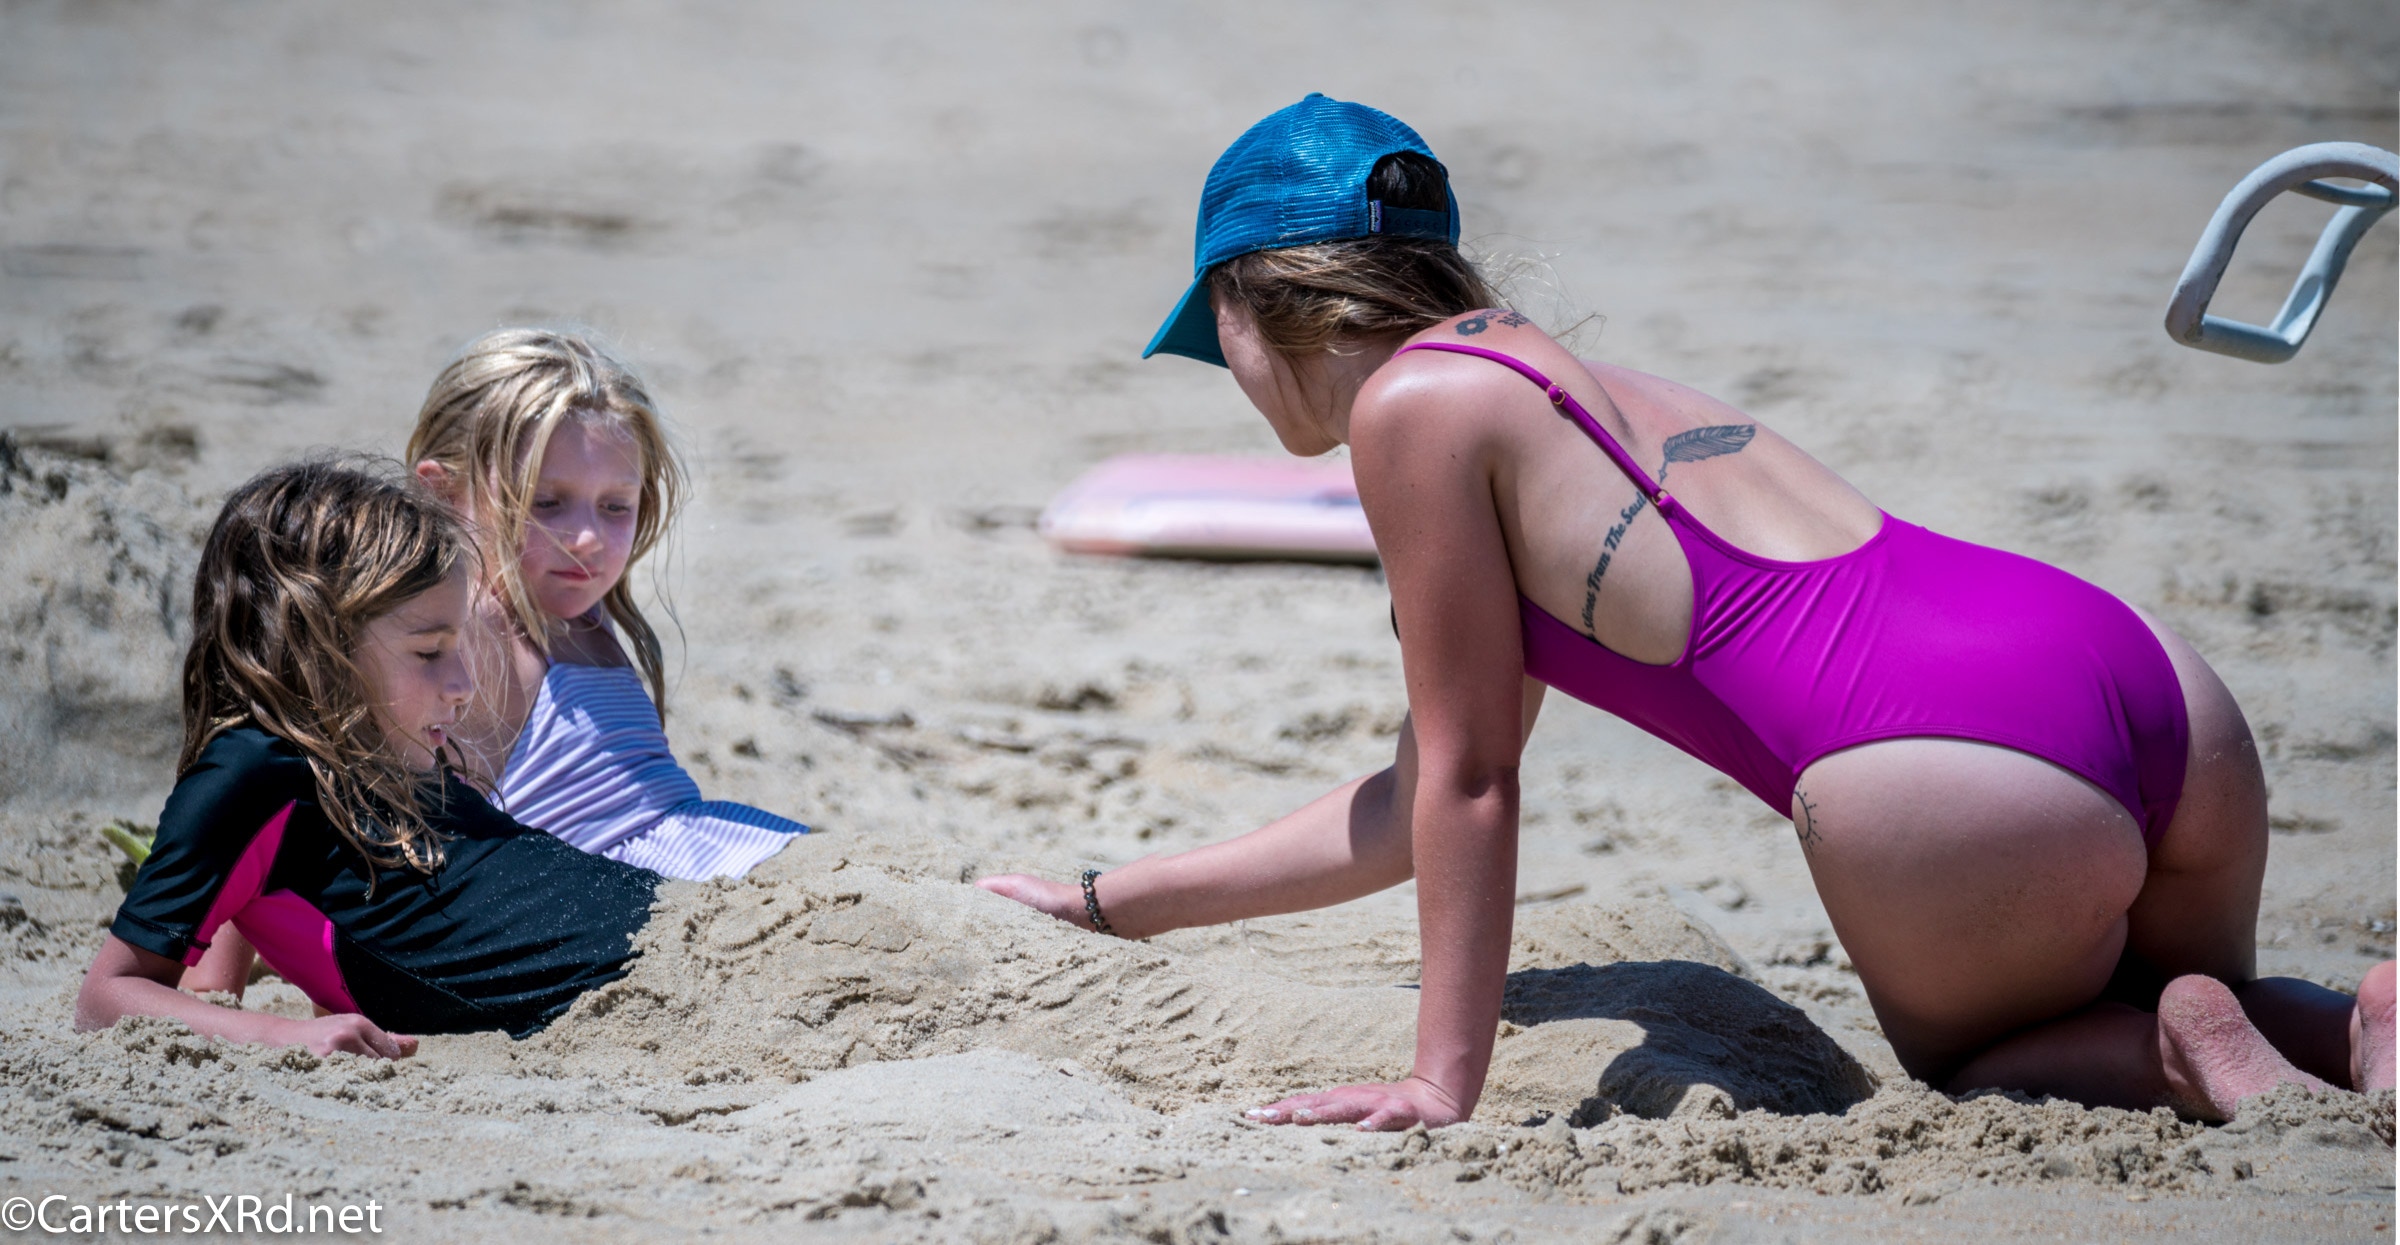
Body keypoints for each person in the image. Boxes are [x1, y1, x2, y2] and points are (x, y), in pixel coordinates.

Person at [980, 93, 2396, 1130]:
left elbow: (1466, 786)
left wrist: (1439, 1079)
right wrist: (1108, 903)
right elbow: (1414, 800)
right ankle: (2355, 1020)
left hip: (1932, 769)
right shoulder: (1568, 387)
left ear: (1258, 302)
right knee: (2206, 990)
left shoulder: (1408, 415)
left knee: (1985, 1062)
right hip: (2141, 678)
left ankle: (2173, 1047)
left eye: (1214, 336)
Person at [78, 460, 661, 1054]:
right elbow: (107, 996)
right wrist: (287, 1036)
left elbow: (318, 923)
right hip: (638, 992)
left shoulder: (394, 757)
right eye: (430, 652)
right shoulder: (252, 769)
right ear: (318, 648)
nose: (464, 684)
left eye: (457, 646)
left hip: (671, 933)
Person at [406, 327, 808, 882]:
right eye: (547, 502)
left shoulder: (580, 615)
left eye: (616, 506)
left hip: (705, 851)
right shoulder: (472, 625)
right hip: (639, 896)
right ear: (443, 494)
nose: (588, 538)